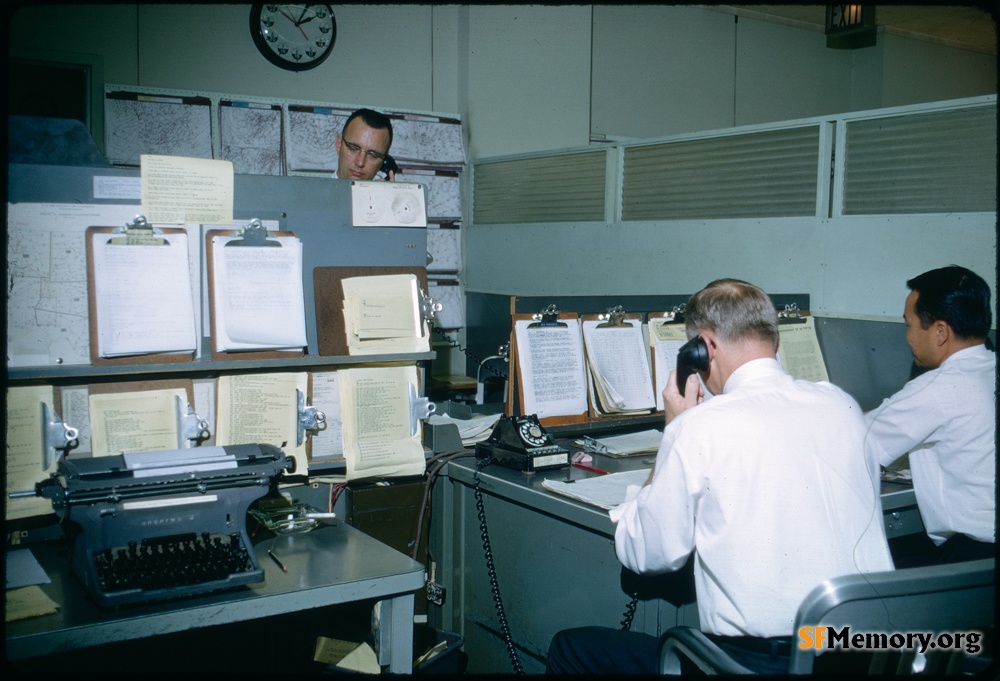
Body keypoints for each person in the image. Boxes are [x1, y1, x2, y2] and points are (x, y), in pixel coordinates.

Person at [546, 279, 893, 675]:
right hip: (858, 656)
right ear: (773, 340)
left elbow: (645, 554)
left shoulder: (701, 427)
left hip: (758, 663)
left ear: (704, 348)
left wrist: (674, 429)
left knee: (571, 648)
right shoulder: (842, 404)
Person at [865, 265, 996, 566]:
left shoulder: (939, 387)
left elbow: (855, 438)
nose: (908, 336)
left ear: (940, 331)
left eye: (909, 325)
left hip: (974, 556)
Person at [334, 108, 395, 181]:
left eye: (373, 155)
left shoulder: (385, 192)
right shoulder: (317, 191)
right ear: (339, 144)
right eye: (354, 148)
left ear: (384, 160)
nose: (360, 163)